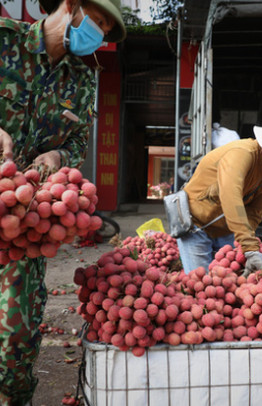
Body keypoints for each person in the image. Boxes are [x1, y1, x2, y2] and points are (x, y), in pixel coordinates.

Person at [0, 0, 126, 404]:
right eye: (98, 21)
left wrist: (58, 157)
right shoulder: (6, 41)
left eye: (105, 30)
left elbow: (77, 141)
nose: (99, 34)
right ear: (71, 6)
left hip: (26, 219)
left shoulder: (84, 78)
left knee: (17, 337)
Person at [176, 118, 262, 275]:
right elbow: (231, 196)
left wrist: (246, 244)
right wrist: (249, 247)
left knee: (228, 284)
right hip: (196, 225)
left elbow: (255, 211)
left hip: (226, 230)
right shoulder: (242, 153)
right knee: (200, 283)